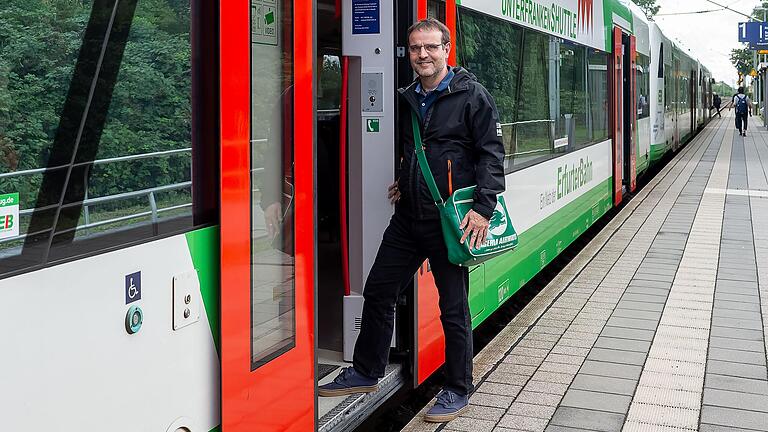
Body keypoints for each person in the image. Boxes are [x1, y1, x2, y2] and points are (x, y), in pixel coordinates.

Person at [318, 18, 505, 423]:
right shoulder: (408, 97)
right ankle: (367, 371)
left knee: (453, 307)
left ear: (446, 49)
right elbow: (415, 149)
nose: (423, 54)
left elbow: (491, 154)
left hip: (449, 219)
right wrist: (406, 181)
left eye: (431, 47)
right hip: (409, 217)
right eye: (416, 48)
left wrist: (483, 208)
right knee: (379, 290)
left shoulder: (472, 96)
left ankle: (458, 388)